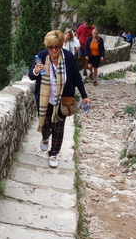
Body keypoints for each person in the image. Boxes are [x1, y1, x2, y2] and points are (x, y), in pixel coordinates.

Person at [28, 30, 91, 169]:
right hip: (45, 99)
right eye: (51, 47)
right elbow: (31, 76)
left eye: (57, 47)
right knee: (44, 123)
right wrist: (36, 71)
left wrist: (84, 95)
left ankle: (53, 154)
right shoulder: (41, 56)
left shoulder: (68, 57)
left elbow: (76, 78)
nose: (54, 50)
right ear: (47, 46)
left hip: (63, 99)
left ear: (61, 45)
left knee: (59, 127)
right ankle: (45, 137)